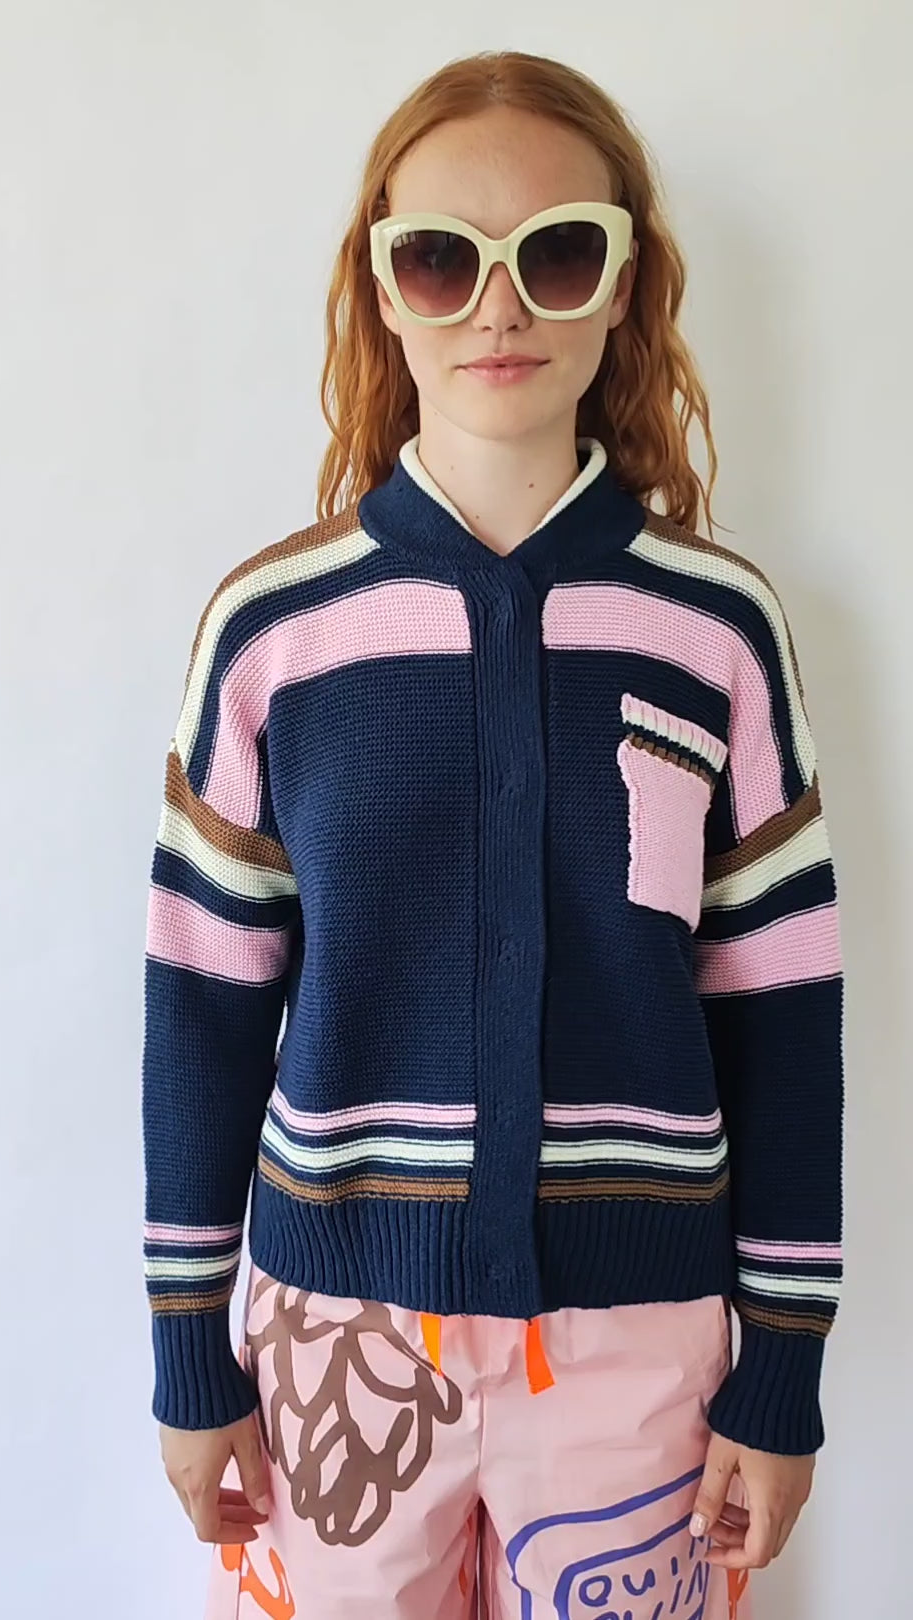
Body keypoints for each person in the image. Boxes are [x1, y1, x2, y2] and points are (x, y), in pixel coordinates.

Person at [139, 49, 844, 1620]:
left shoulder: (720, 632)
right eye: (443, 259)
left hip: (642, 1347)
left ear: (624, 285)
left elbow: (785, 1021)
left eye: (559, 253)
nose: (500, 306)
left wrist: (784, 1365)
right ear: (384, 291)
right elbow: (200, 1012)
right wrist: (190, 1348)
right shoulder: (273, 634)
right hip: (337, 1344)